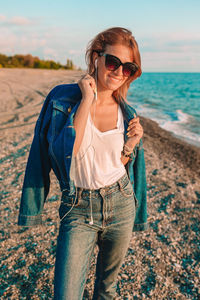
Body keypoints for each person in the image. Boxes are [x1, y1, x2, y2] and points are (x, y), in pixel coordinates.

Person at [18, 27, 148, 299]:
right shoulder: (61, 99)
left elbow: (117, 163)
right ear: (96, 57)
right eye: (113, 62)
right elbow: (67, 152)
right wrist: (88, 99)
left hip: (120, 203)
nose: (118, 72)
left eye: (128, 68)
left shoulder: (128, 112)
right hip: (77, 208)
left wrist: (131, 145)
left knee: (107, 289)